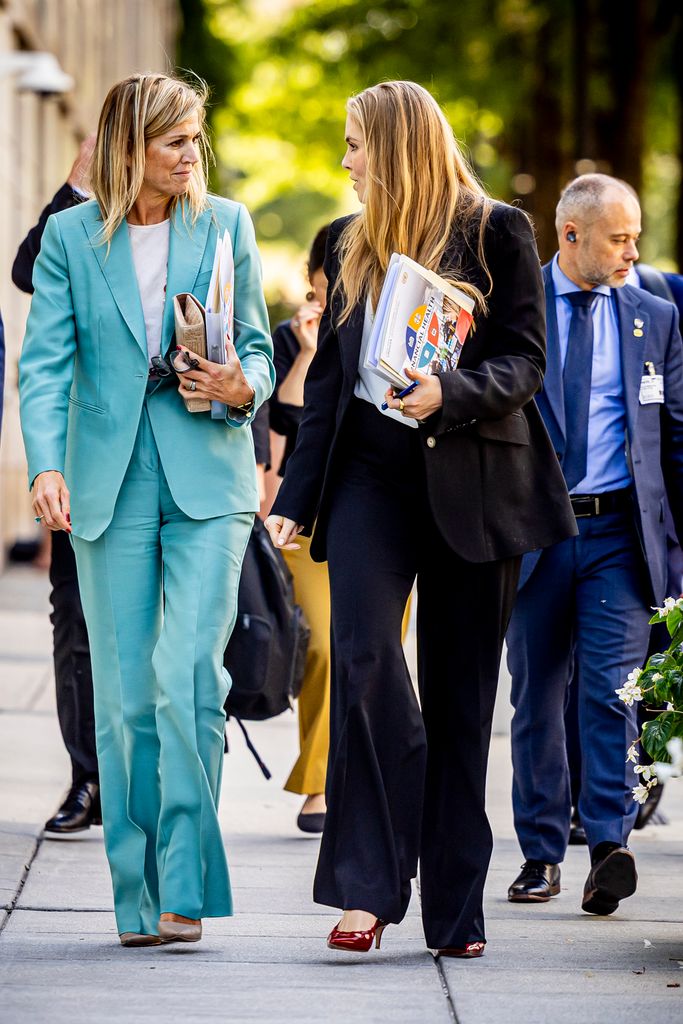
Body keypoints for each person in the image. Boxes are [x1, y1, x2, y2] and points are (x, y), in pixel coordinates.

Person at [265, 80, 575, 957]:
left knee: (463, 700)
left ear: (396, 146)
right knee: (362, 661)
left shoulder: (497, 231)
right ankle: (368, 883)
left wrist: (451, 392)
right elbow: (325, 387)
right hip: (368, 484)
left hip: (477, 486)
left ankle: (453, 908)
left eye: (355, 144)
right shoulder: (343, 241)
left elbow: (524, 362)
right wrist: (295, 502)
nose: (345, 161)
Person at [19, 72, 274, 946]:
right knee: (125, 697)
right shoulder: (66, 238)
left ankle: (186, 885)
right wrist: (45, 464)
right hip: (106, 483)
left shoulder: (225, 225)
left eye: (196, 138)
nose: (190, 154)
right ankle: (135, 898)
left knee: (189, 680)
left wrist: (244, 385)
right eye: (175, 140)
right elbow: (45, 362)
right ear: (130, 144)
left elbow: (255, 347)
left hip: (208, 478)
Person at [506, 174, 683, 916]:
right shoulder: (515, 308)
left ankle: (607, 846)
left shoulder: (654, 312)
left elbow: (672, 432)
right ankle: (541, 854)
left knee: (612, 691)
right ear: (569, 235)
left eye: (635, 235)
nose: (631, 251)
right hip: (531, 531)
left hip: (617, 534)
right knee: (535, 695)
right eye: (618, 238)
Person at [12, 136, 101, 836]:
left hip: (164, 468)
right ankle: (87, 779)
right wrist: (75, 180)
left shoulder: (198, 224)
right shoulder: (78, 222)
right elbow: (25, 271)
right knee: (75, 625)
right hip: (83, 462)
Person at [269, 226, 331, 833]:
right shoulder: (289, 343)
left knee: (376, 656)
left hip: (377, 509)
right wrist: (310, 353)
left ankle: (362, 781)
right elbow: (285, 423)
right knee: (326, 648)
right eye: (320, 290)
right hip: (306, 519)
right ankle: (317, 786)